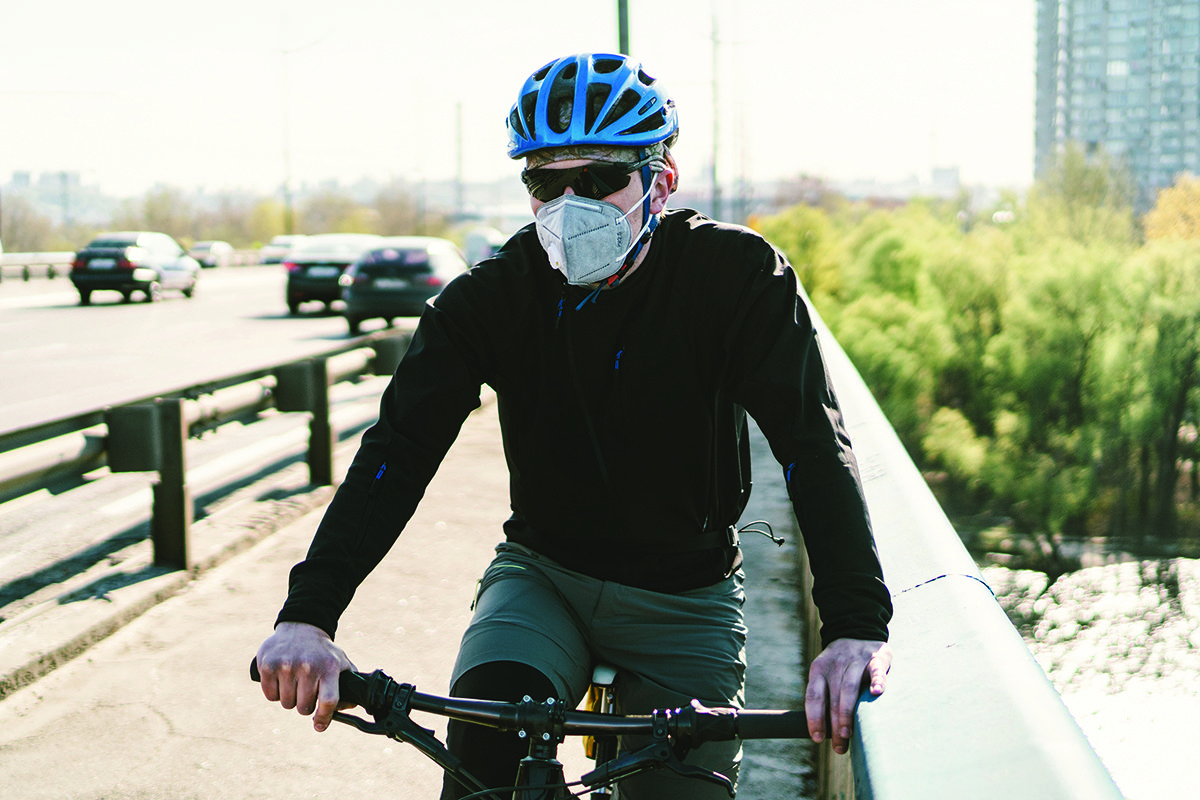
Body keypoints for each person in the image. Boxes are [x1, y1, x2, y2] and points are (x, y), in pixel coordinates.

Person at [255, 52, 893, 798]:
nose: (570, 202)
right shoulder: (489, 297)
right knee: (483, 761)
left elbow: (811, 444)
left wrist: (854, 623)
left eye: (597, 180)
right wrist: (309, 616)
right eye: (545, 181)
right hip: (543, 580)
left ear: (662, 179)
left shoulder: (736, 276)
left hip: (684, 600)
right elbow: (396, 454)